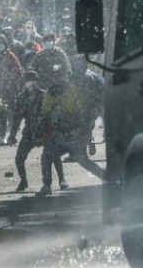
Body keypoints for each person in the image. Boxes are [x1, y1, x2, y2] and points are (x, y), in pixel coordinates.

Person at [35, 67, 103, 196]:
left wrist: (85, 134)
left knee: (82, 160)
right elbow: (45, 113)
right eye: (54, 76)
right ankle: (46, 185)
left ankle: (107, 178)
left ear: (64, 77)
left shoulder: (72, 91)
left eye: (59, 76)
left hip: (73, 134)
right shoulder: (50, 92)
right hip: (57, 135)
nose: (56, 78)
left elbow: (81, 113)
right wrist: (42, 131)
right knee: (47, 156)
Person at [7, 71, 65, 192]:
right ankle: (24, 181)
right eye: (28, 82)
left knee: (53, 155)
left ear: (37, 82)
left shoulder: (45, 95)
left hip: (46, 131)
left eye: (33, 81)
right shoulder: (21, 98)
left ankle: (62, 179)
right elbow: (17, 118)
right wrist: (12, 135)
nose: (31, 85)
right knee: (19, 158)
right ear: (25, 84)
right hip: (29, 132)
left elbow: (54, 115)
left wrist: (55, 131)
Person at [0, 34, 22, 145]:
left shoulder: (10, 56)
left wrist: (9, 75)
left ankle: (3, 135)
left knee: (4, 112)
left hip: (7, 88)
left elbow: (18, 69)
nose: (0, 45)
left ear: (5, 44)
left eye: (2, 43)